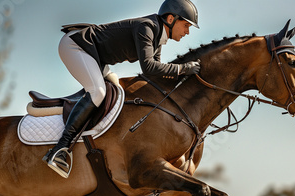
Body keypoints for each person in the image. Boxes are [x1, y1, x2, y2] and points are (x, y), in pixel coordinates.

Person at [42, 0, 201, 178]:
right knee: (98, 92)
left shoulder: (157, 38)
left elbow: (154, 73)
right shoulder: (147, 27)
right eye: (186, 25)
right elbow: (148, 67)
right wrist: (182, 69)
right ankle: (60, 149)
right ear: (171, 19)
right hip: (77, 45)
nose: (187, 31)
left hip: (94, 56)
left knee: (117, 89)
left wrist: (184, 79)